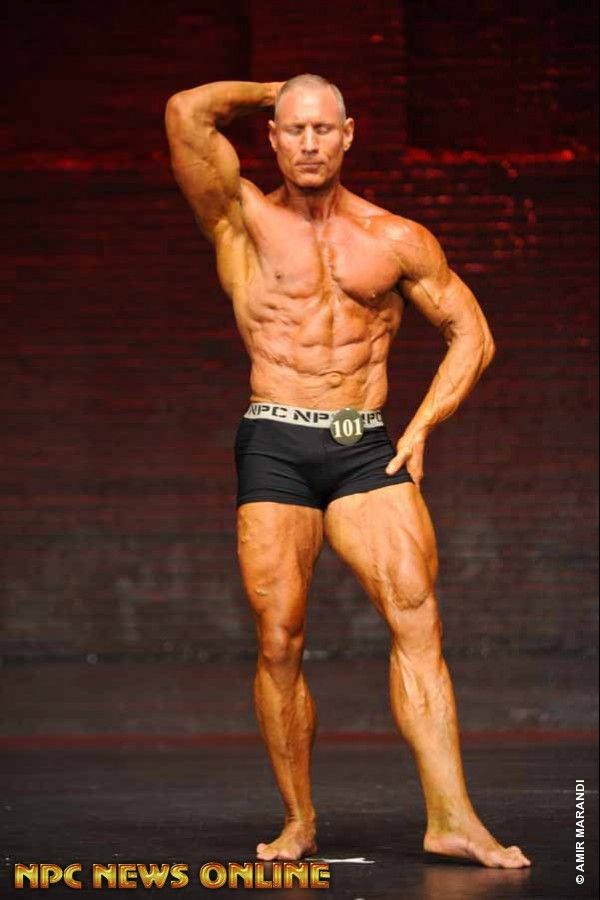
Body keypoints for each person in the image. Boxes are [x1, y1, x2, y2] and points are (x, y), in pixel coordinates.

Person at [165, 73, 531, 869]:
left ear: (348, 135)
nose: (308, 143)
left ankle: (453, 818)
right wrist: (279, 87)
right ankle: (299, 821)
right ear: (272, 135)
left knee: (418, 620)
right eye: (293, 127)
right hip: (275, 442)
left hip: (365, 445)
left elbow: (472, 334)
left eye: (322, 128)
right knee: (280, 638)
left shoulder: (394, 238)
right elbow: (186, 113)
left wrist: (423, 425)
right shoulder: (239, 217)